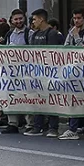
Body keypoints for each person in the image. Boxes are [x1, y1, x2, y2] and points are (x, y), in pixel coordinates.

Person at [60, 9, 84, 140]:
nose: (76, 21)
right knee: (74, 100)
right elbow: (66, 48)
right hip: (74, 72)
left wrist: (76, 37)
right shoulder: (71, 32)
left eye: (79, 18)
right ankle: (73, 128)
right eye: (74, 18)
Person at [26, 8, 64, 136]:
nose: (33, 22)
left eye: (35, 19)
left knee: (52, 100)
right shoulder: (35, 34)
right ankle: (38, 126)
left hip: (50, 74)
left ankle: (53, 127)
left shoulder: (52, 34)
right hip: (37, 73)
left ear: (41, 19)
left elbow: (54, 54)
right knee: (38, 100)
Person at [1, 9, 30, 134]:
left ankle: (30, 124)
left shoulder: (30, 33)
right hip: (11, 72)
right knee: (11, 96)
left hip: (26, 72)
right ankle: (12, 123)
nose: (18, 21)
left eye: (20, 18)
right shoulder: (9, 34)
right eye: (16, 19)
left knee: (27, 97)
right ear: (11, 21)